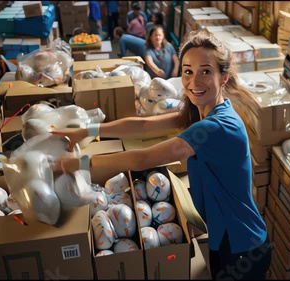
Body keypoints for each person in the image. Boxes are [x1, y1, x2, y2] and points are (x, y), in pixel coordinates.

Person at [52, 29, 271, 280]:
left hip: (243, 246)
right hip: (226, 238)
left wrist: (77, 164)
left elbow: (141, 159)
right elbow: (144, 125)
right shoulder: (203, 112)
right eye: (188, 71)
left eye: (206, 71)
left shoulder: (215, 127)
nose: (194, 80)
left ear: (224, 77)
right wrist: (86, 130)